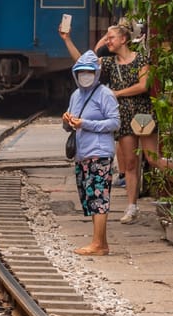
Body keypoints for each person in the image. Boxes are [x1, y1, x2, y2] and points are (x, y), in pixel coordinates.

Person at [61, 20, 158, 224]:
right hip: (123, 116)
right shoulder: (109, 62)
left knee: (153, 159)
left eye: (111, 37)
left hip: (142, 114)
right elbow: (83, 63)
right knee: (130, 163)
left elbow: (144, 85)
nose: (107, 40)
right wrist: (67, 39)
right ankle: (132, 207)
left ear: (124, 39)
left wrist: (117, 93)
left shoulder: (140, 59)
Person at [64, 51, 120, 256]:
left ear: (96, 73)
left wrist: (85, 124)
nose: (84, 76)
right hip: (82, 153)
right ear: (75, 74)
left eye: (89, 72)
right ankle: (101, 243)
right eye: (81, 72)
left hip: (100, 152)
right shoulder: (75, 96)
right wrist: (67, 122)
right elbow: (71, 126)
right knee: (90, 198)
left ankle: (98, 244)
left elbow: (115, 122)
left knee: (98, 197)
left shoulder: (105, 94)